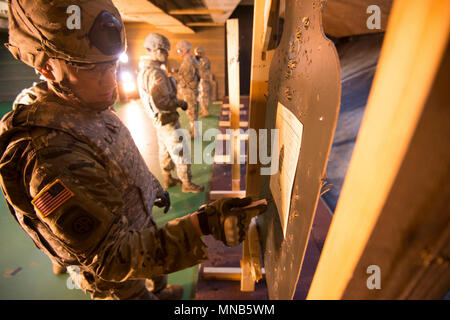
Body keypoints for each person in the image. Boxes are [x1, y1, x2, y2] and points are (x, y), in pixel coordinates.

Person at [0, 0, 266, 300]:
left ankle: (159, 290)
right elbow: (113, 258)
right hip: (117, 277)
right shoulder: (48, 154)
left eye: (112, 65)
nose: (110, 80)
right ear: (48, 68)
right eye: (92, 69)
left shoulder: (82, 101)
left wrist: (150, 184)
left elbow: (116, 149)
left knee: (152, 277)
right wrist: (202, 223)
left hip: (136, 220)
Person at [138, 34, 204, 193]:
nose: (167, 55)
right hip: (167, 119)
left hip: (158, 121)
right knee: (180, 150)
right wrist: (180, 103)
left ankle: (167, 178)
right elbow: (163, 102)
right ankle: (187, 183)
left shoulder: (145, 71)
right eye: (165, 51)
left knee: (165, 150)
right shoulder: (155, 74)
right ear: (155, 50)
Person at [174, 40, 200, 138]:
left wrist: (172, 76)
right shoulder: (192, 60)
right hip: (192, 89)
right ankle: (194, 131)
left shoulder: (187, 63)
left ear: (184, 50)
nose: (179, 52)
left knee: (191, 112)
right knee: (193, 111)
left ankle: (195, 133)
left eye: (179, 50)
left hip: (189, 90)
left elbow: (184, 78)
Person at [194, 47, 212, 118]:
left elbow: (201, 68)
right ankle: (203, 109)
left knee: (204, 95)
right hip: (200, 80)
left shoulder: (205, 60)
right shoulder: (199, 60)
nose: (198, 54)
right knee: (201, 96)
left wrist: (196, 62)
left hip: (204, 80)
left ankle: (206, 111)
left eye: (198, 53)